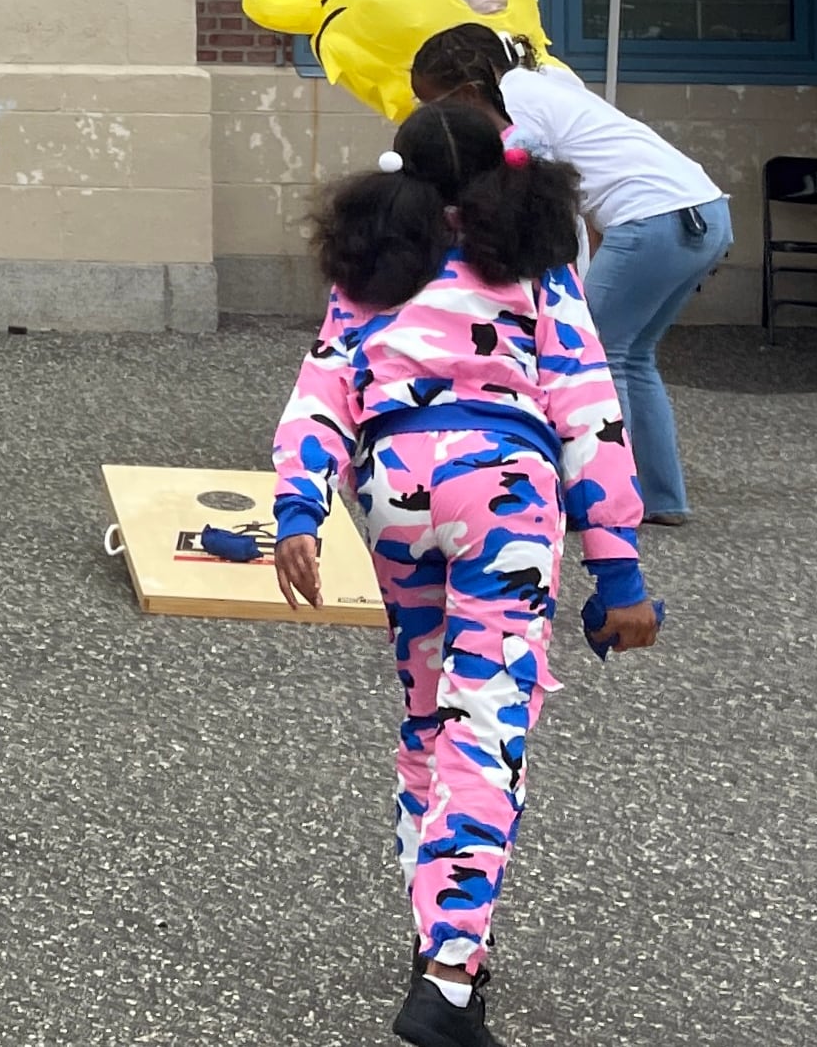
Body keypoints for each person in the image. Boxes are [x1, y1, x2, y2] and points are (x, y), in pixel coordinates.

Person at [272, 97, 660, 1047]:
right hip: (506, 499)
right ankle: (446, 980)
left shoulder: (371, 268)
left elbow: (323, 385)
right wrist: (618, 570)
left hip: (398, 494)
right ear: (502, 172)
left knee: (427, 721)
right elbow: (587, 408)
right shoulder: (535, 266)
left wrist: (298, 508)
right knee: (485, 728)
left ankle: (444, 942)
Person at [410, 26, 729, 526]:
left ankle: (599, 501)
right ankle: (662, 498)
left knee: (594, 359)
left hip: (653, 217)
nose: (439, 119)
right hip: (702, 210)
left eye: (438, 105)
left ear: (470, 93)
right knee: (632, 356)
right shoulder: (546, 83)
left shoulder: (516, 101)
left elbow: (542, 199)